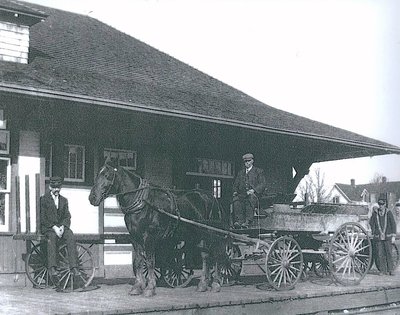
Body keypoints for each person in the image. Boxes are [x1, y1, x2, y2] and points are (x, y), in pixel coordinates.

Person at [40, 176, 80, 277]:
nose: (57, 189)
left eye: (58, 187)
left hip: (61, 227)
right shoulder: (44, 200)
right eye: (54, 187)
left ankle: (74, 267)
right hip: (49, 228)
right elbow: (42, 218)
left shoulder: (64, 200)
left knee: (70, 235)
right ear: (50, 187)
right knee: (52, 237)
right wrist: (54, 227)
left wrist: (62, 226)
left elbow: (67, 216)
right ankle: (52, 268)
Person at [232, 153, 267, 228]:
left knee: (250, 199)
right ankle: (239, 221)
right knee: (236, 200)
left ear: (252, 161)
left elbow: (262, 184)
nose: (247, 163)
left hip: (256, 195)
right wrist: (235, 191)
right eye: (245, 161)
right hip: (243, 194)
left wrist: (254, 190)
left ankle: (248, 221)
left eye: (249, 161)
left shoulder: (259, 171)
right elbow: (236, 184)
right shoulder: (240, 173)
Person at [369, 197, 397, 275]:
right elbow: (371, 223)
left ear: (385, 204)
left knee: (389, 253)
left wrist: (393, 236)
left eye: (382, 204)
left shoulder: (389, 213)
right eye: (379, 204)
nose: (381, 206)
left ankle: (390, 270)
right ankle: (382, 270)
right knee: (380, 254)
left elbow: (393, 224)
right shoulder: (375, 213)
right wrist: (373, 231)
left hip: (387, 237)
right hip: (378, 237)